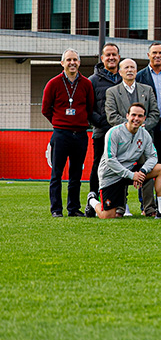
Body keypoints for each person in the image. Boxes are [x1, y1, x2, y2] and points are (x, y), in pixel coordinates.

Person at [97, 103, 161, 219]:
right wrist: (132, 175)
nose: (136, 119)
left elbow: (153, 156)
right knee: (108, 216)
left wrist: (143, 171)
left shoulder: (145, 134)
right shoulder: (113, 132)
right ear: (127, 116)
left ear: (144, 118)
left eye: (140, 116)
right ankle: (92, 201)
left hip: (132, 172)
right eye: (133, 115)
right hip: (111, 175)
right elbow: (110, 160)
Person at [105, 58, 161, 215]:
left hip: (144, 139)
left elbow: (155, 113)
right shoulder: (112, 92)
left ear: (137, 72)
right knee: (121, 171)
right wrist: (131, 126)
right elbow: (111, 116)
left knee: (147, 171)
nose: (130, 70)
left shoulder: (147, 89)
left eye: (133, 68)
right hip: (123, 141)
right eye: (126, 67)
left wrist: (142, 126)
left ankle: (149, 208)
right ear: (120, 71)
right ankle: (120, 207)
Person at [42, 49, 95, 217]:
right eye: (69, 60)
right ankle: (56, 209)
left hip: (80, 134)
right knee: (56, 174)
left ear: (79, 63)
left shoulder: (86, 84)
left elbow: (90, 107)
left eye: (75, 60)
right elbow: (45, 109)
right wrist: (59, 122)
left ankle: (73, 209)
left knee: (76, 174)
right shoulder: (53, 83)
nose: (72, 63)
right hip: (61, 134)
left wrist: (78, 122)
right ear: (62, 63)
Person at [136, 42, 161, 203]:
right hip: (147, 127)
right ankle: (145, 204)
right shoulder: (140, 76)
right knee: (146, 164)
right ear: (148, 55)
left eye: (160, 53)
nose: (157, 56)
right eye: (154, 53)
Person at [86, 42, 121, 213]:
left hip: (123, 135)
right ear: (102, 58)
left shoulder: (124, 77)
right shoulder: (93, 81)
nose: (111, 58)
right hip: (102, 132)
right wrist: (101, 122)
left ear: (119, 57)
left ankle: (120, 203)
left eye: (114, 54)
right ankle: (92, 199)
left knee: (121, 166)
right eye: (108, 55)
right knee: (98, 165)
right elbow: (88, 108)